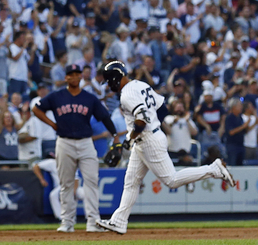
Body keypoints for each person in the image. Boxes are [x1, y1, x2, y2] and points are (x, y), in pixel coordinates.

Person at [97, 61, 235, 235]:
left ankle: (213, 169)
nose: (109, 85)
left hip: (147, 139)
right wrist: (151, 130)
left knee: (172, 180)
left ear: (117, 78)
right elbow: (162, 107)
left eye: (109, 81)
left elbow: (141, 119)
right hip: (148, 137)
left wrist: (131, 138)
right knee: (131, 182)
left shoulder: (126, 94)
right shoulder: (141, 85)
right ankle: (118, 221)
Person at [32, 64, 117, 233]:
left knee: (92, 182)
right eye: (70, 74)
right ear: (66, 78)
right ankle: (67, 222)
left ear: (80, 77)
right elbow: (36, 109)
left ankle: (93, 222)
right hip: (64, 142)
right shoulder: (57, 96)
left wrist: (115, 135)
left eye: (77, 74)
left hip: (86, 142)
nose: (74, 76)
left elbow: (104, 116)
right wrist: (52, 125)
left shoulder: (89, 98)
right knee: (66, 184)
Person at [32, 158, 83, 222]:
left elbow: (76, 179)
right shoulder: (52, 163)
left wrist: (74, 191)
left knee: (85, 194)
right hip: (61, 187)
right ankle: (60, 218)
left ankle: (90, 217)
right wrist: (42, 179)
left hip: (72, 187)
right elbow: (36, 167)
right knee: (53, 195)